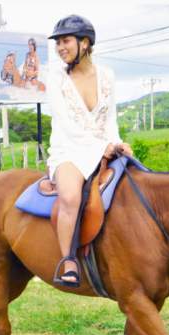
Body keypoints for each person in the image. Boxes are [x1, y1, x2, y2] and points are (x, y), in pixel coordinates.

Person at [46, 15, 133, 288]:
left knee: (136, 183)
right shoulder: (55, 77)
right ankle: (68, 260)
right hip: (69, 150)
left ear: (85, 43)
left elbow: (110, 120)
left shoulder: (107, 75)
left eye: (65, 41)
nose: (60, 47)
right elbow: (68, 125)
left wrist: (118, 143)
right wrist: (101, 147)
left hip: (103, 146)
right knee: (71, 196)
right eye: (58, 43)